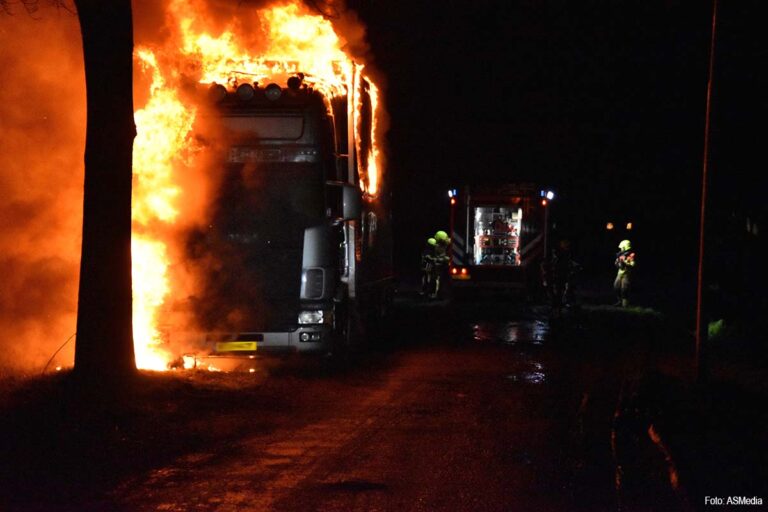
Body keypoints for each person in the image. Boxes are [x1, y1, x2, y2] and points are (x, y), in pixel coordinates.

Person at [614, 239, 636, 307]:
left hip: (626, 274)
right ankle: (619, 301)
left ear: (625, 247)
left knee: (624, 289)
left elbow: (633, 264)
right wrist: (618, 262)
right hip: (619, 274)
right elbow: (616, 264)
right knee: (616, 287)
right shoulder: (620, 255)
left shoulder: (631, 255)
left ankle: (625, 304)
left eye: (622, 248)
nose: (621, 249)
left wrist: (625, 262)